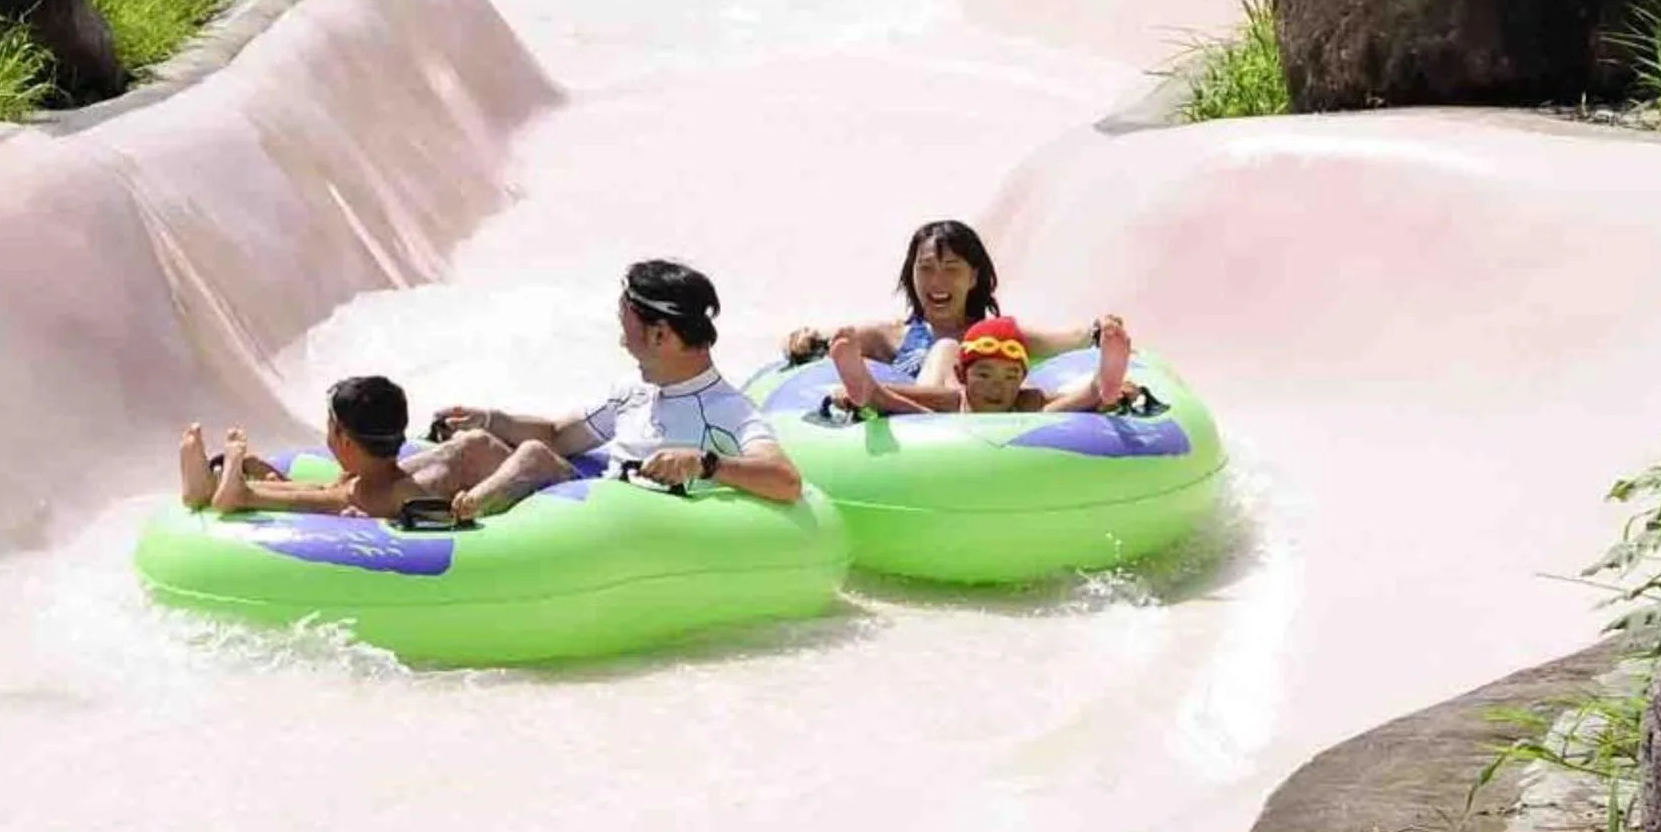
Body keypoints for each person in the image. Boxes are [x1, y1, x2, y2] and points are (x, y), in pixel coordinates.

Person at [422, 259, 805, 519]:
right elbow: (557, 435)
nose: (623, 343)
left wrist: (703, 463)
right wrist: (488, 419)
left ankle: (460, 520)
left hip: (629, 531)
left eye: (627, 329)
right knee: (474, 445)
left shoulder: (726, 409)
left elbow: (786, 481)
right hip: (585, 513)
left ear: (659, 334)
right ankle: (367, 497)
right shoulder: (632, 391)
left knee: (534, 458)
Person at [783, 219, 1102, 411]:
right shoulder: (887, 337)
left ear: (973, 277)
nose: (937, 283)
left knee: (950, 348)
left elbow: (1076, 339)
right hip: (915, 434)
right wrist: (803, 341)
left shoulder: (995, 337)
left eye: (951, 270)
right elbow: (829, 345)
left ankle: (876, 395)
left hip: (982, 429)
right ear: (912, 274)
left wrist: (1102, 331)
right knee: (946, 349)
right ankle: (876, 395)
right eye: (926, 269)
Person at [178, 374, 429, 519]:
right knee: (318, 490)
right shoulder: (360, 476)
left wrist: (367, 527)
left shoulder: (401, 492)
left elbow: (436, 522)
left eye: (330, 427)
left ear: (346, 442)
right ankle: (208, 488)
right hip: (337, 496)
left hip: (339, 510)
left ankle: (238, 493)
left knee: (321, 497)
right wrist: (273, 476)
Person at [830, 313, 1145, 417]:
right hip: (943, 422)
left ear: (1022, 378)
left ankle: (1103, 384)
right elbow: (902, 395)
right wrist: (864, 392)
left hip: (1025, 422)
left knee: (1052, 412)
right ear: (961, 375)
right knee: (915, 412)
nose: (997, 386)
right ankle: (865, 389)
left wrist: (1104, 395)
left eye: (1010, 376)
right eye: (983, 373)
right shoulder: (955, 397)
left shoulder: (1025, 398)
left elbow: (1064, 401)